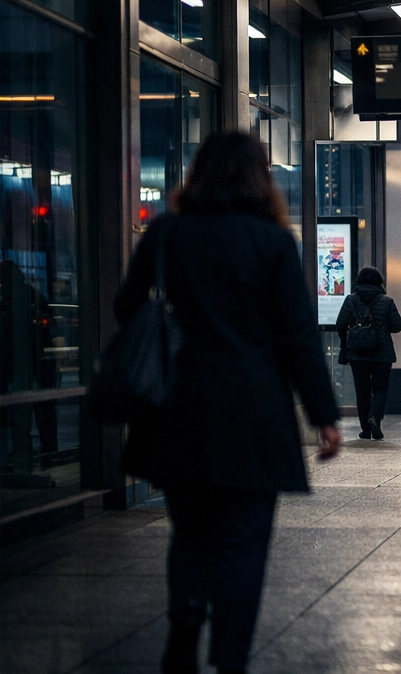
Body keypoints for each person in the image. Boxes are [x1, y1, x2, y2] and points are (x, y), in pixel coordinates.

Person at [112, 131, 341, 674]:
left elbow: (126, 306)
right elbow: (297, 337)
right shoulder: (271, 243)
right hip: (253, 415)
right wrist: (324, 416)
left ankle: (187, 619)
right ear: (261, 177)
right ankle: (231, 657)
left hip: (176, 410)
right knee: (242, 542)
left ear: (198, 173)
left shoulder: (166, 235)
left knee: (189, 532)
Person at [335, 266, 401, 441]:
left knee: (362, 391)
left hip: (358, 353)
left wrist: (346, 341)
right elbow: (398, 326)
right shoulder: (386, 301)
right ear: (379, 282)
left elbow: (340, 324)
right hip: (382, 353)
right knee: (380, 389)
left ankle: (365, 430)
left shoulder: (351, 300)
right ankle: (375, 419)